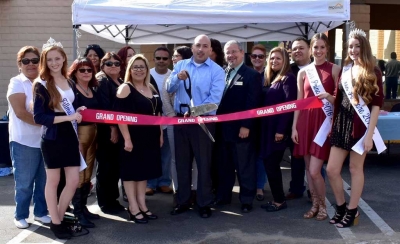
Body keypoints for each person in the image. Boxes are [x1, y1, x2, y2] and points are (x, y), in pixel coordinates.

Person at [327, 29, 384, 228]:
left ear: (364, 47)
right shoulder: (345, 70)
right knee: (332, 170)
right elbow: (338, 101)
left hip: (360, 126)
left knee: (354, 168)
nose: (353, 50)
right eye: (350, 46)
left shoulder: (373, 71)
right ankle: (342, 207)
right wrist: (332, 123)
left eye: (357, 46)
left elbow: (377, 105)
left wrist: (370, 136)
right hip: (341, 124)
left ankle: (352, 211)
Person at [167, 34, 225, 218]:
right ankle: (183, 200)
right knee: (182, 164)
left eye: (205, 46)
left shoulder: (216, 71)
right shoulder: (180, 65)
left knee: (204, 164)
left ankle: (204, 203)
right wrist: (177, 78)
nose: (201, 49)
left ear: (210, 50)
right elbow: (169, 88)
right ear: (192, 48)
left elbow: (214, 101)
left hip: (203, 123)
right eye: (198, 45)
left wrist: (194, 112)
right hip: (181, 122)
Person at [33, 38, 84, 239]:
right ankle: (55, 222)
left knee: (72, 181)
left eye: (58, 58)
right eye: (50, 59)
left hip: (70, 137)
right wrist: (69, 116)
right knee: (53, 182)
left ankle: (60, 218)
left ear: (64, 59)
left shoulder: (69, 81)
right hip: (53, 138)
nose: (54, 62)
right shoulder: (42, 84)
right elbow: (40, 117)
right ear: (45, 62)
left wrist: (78, 110)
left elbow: (72, 106)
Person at [291, 33, 340, 221]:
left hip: (323, 123)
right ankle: (315, 205)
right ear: (311, 50)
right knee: (308, 170)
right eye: (315, 47)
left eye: (322, 47)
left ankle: (324, 205)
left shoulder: (335, 70)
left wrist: (329, 97)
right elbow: (299, 101)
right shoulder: (303, 72)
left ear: (327, 49)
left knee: (314, 170)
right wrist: (294, 127)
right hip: (305, 123)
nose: (318, 51)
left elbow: (341, 102)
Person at [214, 40, 261, 213]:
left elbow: (252, 102)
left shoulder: (251, 75)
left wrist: (246, 125)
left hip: (242, 130)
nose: (230, 55)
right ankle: (224, 197)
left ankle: (247, 199)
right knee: (224, 165)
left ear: (242, 53)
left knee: (244, 166)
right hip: (222, 129)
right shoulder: (223, 73)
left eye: (234, 52)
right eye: (227, 53)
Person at [114, 54, 162, 224]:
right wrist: (126, 138)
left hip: (150, 137)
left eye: (142, 66)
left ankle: (142, 204)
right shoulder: (125, 88)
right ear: (129, 70)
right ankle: (133, 207)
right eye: (135, 67)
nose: (139, 70)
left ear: (147, 70)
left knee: (143, 173)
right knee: (131, 173)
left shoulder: (151, 88)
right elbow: (120, 116)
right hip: (132, 138)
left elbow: (158, 114)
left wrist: (161, 134)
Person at [7, 46, 50, 229]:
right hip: (23, 141)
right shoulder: (16, 82)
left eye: (35, 60)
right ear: (20, 65)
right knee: (24, 183)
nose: (31, 64)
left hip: (46, 141)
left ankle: (41, 212)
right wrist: (50, 122)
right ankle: (21, 215)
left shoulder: (47, 82)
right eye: (26, 61)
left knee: (44, 181)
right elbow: (21, 113)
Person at [260, 47, 297, 212]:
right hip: (266, 129)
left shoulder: (288, 78)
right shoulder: (271, 78)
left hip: (277, 130)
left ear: (285, 61)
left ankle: (279, 201)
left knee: (272, 164)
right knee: (269, 164)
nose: (274, 61)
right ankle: (277, 198)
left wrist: (281, 131)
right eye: (272, 58)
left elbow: (289, 107)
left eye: (278, 59)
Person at [68, 58, 101, 228]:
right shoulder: (72, 89)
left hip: (93, 134)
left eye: (89, 70)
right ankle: (77, 212)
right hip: (79, 135)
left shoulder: (92, 88)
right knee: (79, 174)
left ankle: (83, 207)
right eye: (82, 70)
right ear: (74, 72)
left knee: (88, 172)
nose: (86, 72)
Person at [163, 46, 197, 203]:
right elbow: (167, 93)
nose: (173, 59)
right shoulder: (172, 75)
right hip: (175, 120)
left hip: (196, 120)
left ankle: (195, 190)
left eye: (177, 56)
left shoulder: (197, 72)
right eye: (173, 57)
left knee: (196, 159)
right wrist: (172, 117)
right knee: (177, 159)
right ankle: (179, 191)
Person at [95, 52, 125, 214]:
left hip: (119, 130)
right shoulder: (102, 81)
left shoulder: (119, 81)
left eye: (116, 63)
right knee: (106, 167)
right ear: (102, 66)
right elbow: (105, 108)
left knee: (115, 167)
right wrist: (113, 128)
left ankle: (113, 199)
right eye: (109, 64)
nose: (113, 66)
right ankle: (106, 203)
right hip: (107, 131)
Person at [286, 37, 311, 200]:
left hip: (312, 121)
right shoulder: (288, 70)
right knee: (296, 157)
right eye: (294, 49)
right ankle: (296, 188)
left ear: (309, 49)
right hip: (290, 121)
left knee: (314, 158)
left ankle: (314, 190)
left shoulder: (318, 69)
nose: (297, 51)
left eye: (301, 48)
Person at [146, 46, 173, 195]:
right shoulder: (146, 74)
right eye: (158, 58)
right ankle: (150, 183)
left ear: (169, 60)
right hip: (150, 121)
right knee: (151, 153)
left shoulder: (173, 75)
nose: (161, 61)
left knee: (167, 153)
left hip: (169, 120)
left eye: (164, 58)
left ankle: (164, 182)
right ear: (154, 59)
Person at [250, 44, 268, 201]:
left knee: (261, 156)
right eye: (254, 56)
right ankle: (249, 184)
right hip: (248, 122)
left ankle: (259, 186)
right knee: (248, 155)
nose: (257, 59)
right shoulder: (246, 74)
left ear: (265, 58)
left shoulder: (270, 76)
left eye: (260, 56)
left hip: (265, 123)